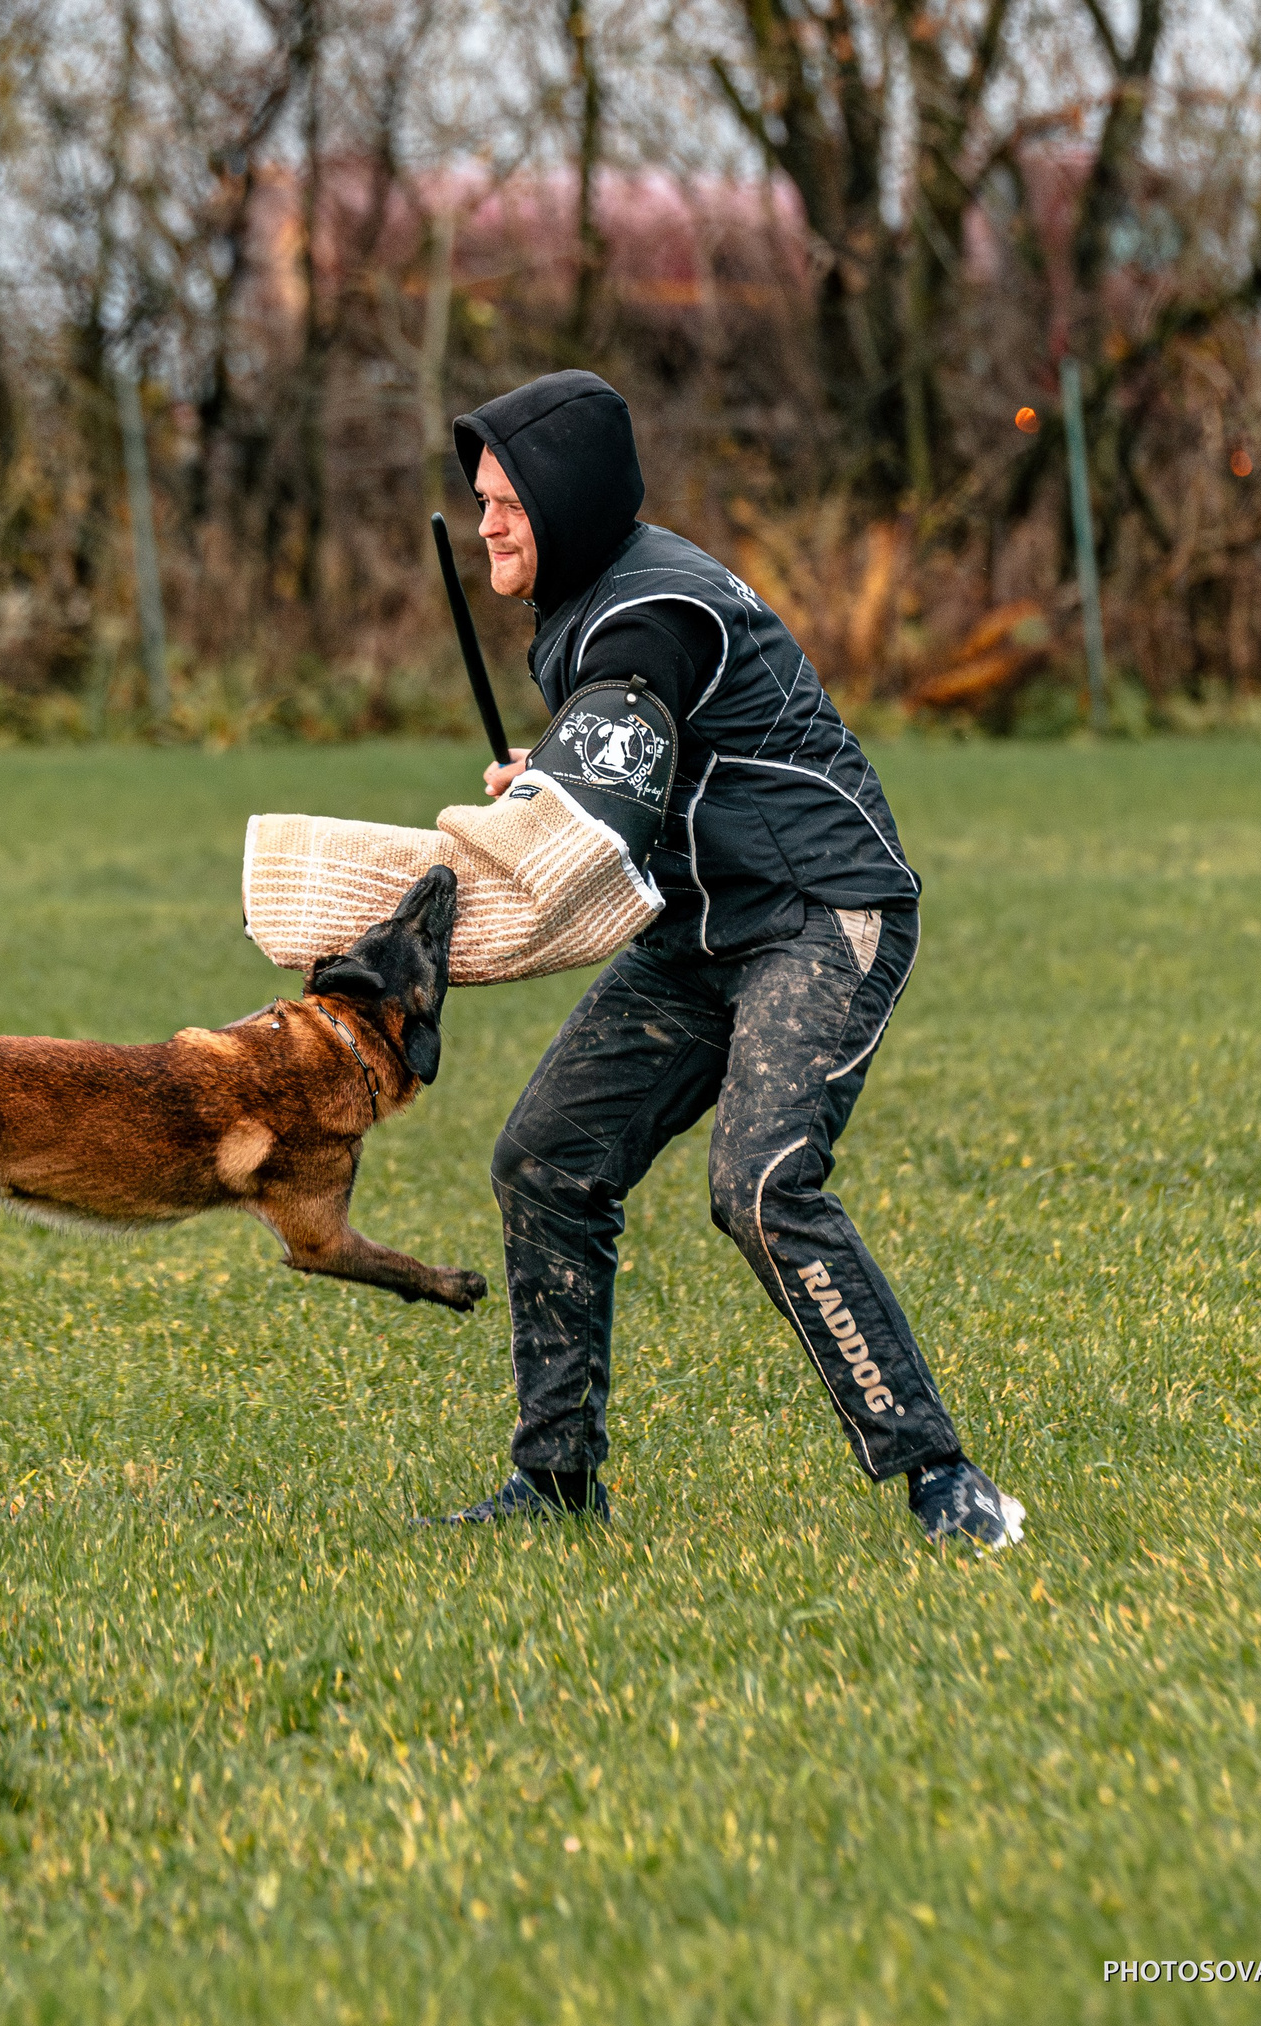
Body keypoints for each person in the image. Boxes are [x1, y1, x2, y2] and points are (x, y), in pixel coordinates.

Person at [438, 370, 1022, 1547]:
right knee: (543, 1161)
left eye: (507, 501)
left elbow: (629, 718)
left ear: (568, 500)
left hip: (819, 914)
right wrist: (556, 764)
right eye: (480, 499)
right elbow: (628, 744)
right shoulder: (599, 595)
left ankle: (944, 1479)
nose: (486, 521)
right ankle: (554, 1484)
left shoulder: (656, 609)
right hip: (699, 932)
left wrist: (557, 782)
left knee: (759, 1182)